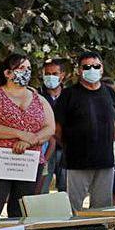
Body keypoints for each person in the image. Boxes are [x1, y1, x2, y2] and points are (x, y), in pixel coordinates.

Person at [0, 54, 54, 218]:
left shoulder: (39, 98)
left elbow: (50, 127)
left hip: (28, 161)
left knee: (22, 213)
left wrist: (30, 141)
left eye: (29, 68)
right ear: (8, 73)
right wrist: (19, 134)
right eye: (21, 68)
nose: (26, 72)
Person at [54, 51, 115, 211]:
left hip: (105, 160)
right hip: (77, 161)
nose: (92, 69)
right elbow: (56, 128)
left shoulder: (110, 92)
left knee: (102, 209)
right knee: (73, 208)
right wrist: (69, 145)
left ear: (102, 68)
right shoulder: (69, 94)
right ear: (79, 70)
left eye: (96, 66)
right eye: (87, 66)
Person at [36, 58, 67, 193]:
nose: (50, 77)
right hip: (43, 148)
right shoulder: (35, 96)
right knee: (40, 189)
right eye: (47, 73)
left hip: (66, 148)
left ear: (62, 75)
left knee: (66, 190)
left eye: (54, 74)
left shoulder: (70, 95)